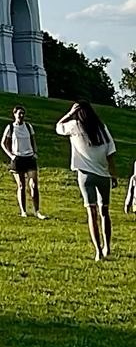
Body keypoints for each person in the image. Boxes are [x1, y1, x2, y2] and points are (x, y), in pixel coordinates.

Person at [55, 101, 118, 260]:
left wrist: (70, 113)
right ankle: (107, 247)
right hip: (103, 175)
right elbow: (111, 153)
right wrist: (114, 174)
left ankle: (98, 251)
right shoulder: (102, 128)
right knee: (105, 212)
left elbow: (58, 127)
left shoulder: (74, 126)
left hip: (85, 175)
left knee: (92, 212)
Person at [1, 106, 44, 219]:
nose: (21, 116)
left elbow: (33, 140)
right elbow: (3, 143)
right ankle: (23, 211)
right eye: (19, 113)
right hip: (18, 158)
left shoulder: (28, 127)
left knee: (34, 185)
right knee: (21, 185)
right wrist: (11, 155)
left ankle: (37, 211)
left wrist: (35, 152)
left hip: (29, 157)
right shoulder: (10, 127)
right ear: (14, 114)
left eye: (23, 113)